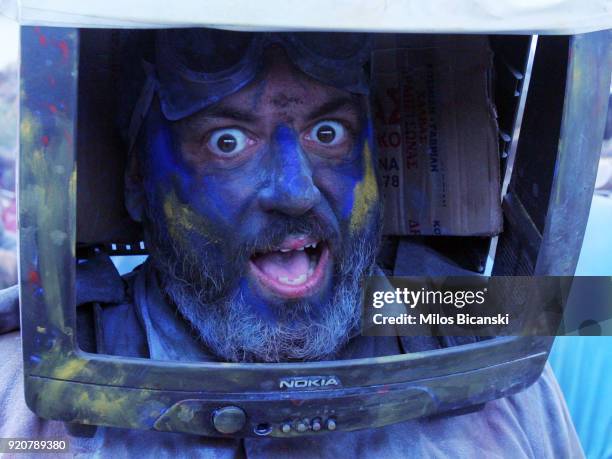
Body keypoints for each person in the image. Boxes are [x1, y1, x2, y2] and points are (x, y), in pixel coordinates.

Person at [0, 29, 583, 458]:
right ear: (136, 179)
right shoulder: (25, 400)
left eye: (328, 133)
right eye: (228, 141)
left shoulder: (485, 358)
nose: (296, 190)